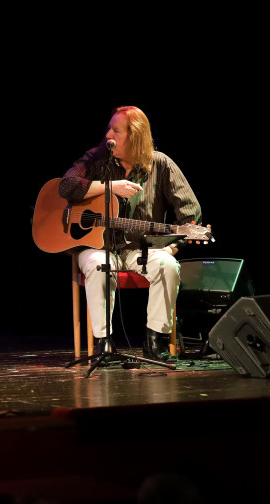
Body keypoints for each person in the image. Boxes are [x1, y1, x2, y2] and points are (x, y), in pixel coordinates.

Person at [58, 106, 202, 361]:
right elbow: (67, 186)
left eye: (116, 130)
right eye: (109, 128)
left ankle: (154, 341)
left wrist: (171, 248)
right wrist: (110, 186)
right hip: (98, 246)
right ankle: (103, 344)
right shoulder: (96, 158)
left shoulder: (161, 164)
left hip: (141, 248)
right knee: (99, 266)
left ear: (134, 136)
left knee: (168, 266)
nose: (108, 135)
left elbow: (190, 213)